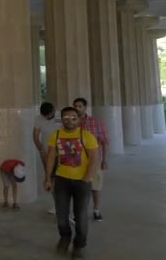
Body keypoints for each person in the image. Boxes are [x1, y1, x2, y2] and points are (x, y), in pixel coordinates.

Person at [45, 107, 99, 259]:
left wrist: (87, 177)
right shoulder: (55, 136)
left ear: (79, 119)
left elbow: (94, 158)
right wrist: (48, 178)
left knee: (81, 216)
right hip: (61, 180)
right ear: (61, 119)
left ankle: (79, 244)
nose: (69, 121)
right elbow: (51, 157)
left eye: (73, 118)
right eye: (66, 118)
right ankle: (65, 238)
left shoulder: (87, 136)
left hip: (82, 181)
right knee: (61, 215)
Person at [73, 97, 109, 222]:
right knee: (78, 187)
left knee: (96, 186)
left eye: (80, 106)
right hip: (76, 161)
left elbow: (104, 142)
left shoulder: (95, 122)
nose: (77, 108)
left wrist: (104, 160)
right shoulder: (71, 124)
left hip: (94, 160)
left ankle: (96, 210)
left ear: (85, 107)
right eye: (75, 106)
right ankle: (79, 211)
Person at [33, 102, 60, 214]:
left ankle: (65, 203)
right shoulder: (38, 119)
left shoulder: (60, 116)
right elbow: (35, 136)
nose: (48, 118)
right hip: (47, 154)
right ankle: (56, 204)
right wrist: (41, 150)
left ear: (53, 110)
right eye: (45, 116)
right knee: (50, 178)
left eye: (49, 115)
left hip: (62, 152)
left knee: (62, 179)